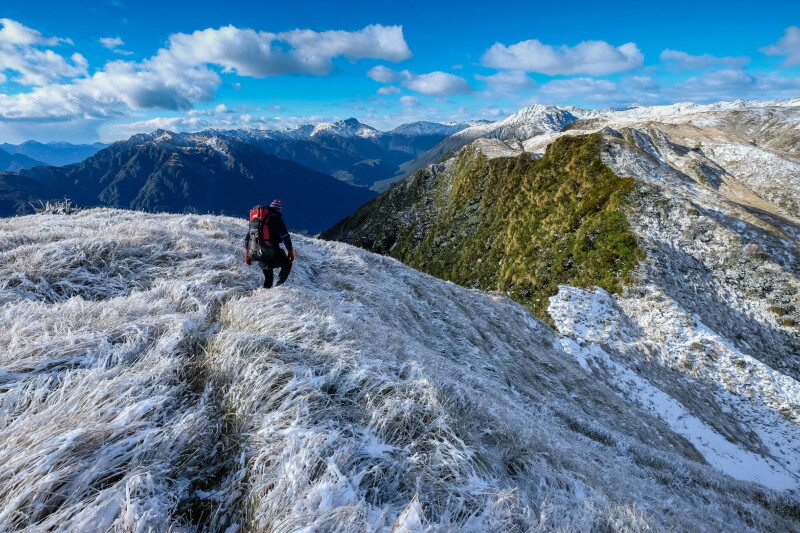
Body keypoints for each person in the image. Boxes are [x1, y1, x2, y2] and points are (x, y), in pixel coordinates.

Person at [244, 199, 295, 288]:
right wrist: (290, 251)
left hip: (257, 252)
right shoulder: (277, 218)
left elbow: (247, 238)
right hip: (271, 252)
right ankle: (278, 287)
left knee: (268, 279)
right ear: (278, 210)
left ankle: (265, 296)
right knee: (287, 264)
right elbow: (285, 236)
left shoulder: (258, 220)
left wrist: (247, 254)